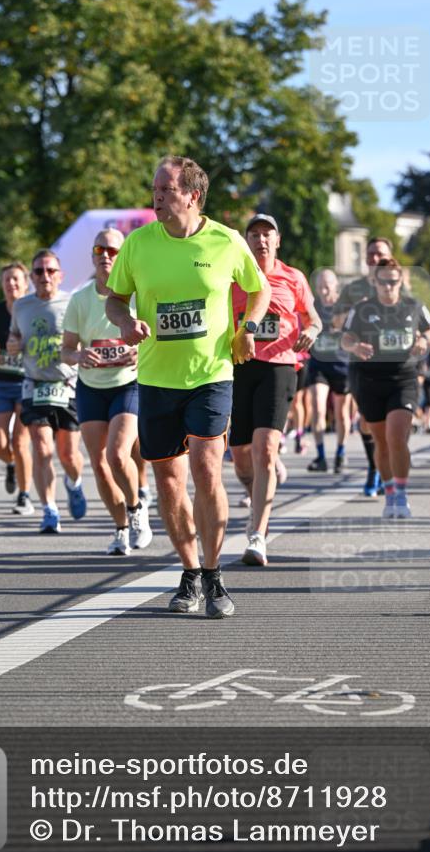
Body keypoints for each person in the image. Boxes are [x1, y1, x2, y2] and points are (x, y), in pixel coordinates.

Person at [106, 155, 270, 618]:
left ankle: (215, 574)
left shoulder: (227, 241)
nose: (156, 197)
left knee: (205, 466)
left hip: (211, 373)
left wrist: (249, 327)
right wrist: (125, 322)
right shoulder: (139, 244)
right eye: (155, 189)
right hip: (157, 378)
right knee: (169, 480)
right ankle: (190, 572)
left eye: (166, 190)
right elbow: (115, 299)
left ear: (193, 195)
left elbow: (258, 289)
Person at [229, 214, 320, 566]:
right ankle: (258, 493)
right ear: (247, 241)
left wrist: (313, 330)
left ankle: (257, 534)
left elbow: (313, 317)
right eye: (254, 234)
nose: (261, 240)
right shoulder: (233, 276)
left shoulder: (293, 277)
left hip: (280, 365)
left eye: (268, 234)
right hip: (239, 366)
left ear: (277, 241)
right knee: (240, 454)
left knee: (265, 447)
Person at [62, 229, 152, 555]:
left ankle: (136, 506)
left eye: (113, 250)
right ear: (92, 255)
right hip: (90, 387)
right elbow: (66, 350)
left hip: (128, 383)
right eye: (99, 249)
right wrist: (78, 356)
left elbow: (157, 338)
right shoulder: (80, 299)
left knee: (117, 454)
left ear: (123, 256)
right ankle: (120, 529)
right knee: (99, 464)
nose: (106, 256)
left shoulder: (140, 295)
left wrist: (141, 353)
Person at [341, 257, 430, 519]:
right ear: (375, 282)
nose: (389, 287)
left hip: (403, 379)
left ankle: (402, 494)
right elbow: (346, 337)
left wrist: (424, 342)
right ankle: (390, 492)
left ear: (401, 280)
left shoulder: (414, 306)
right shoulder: (361, 309)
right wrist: (354, 347)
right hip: (370, 381)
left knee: (396, 435)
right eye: (384, 282)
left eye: (394, 281)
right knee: (380, 442)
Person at [7, 249, 87, 533]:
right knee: (42, 449)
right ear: (32, 277)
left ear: (60, 275)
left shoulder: (72, 302)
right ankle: (49, 510)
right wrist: (13, 345)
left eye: (50, 270)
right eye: (39, 271)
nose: (45, 276)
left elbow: (83, 338)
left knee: (68, 455)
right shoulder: (21, 306)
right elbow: (13, 338)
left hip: (67, 386)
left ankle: (74, 483)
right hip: (34, 385)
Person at [333, 236, 394, 496]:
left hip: (393, 364)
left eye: (379, 253)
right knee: (368, 421)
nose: (373, 258)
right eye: (369, 254)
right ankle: (374, 467)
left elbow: (414, 319)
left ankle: (386, 469)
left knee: (391, 422)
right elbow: (336, 322)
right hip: (362, 362)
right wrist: (353, 313)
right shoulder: (354, 288)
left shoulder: (398, 285)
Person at [0, 261, 34, 514]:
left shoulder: (35, 309)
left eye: (15, 279)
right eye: (6, 280)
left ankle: (24, 496)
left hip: (27, 382)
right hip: (0, 382)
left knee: (20, 441)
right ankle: (11, 464)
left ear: (25, 283)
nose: (11, 284)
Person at [307, 268, 352, 473]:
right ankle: (321, 455)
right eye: (320, 287)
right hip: (319, 364)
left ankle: (341, 452)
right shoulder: (312, 307)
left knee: (342, 413)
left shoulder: (345, 307)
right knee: (317, 405)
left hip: (342, 364)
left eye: (327, 287)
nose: (324, 291)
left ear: (335, 286)